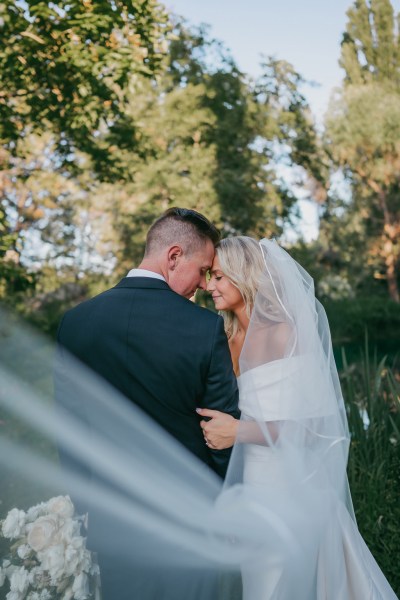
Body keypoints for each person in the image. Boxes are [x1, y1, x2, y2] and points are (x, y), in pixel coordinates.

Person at [197, 236, 398, 600]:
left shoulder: (284, 334)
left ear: (245, 276)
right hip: (248, 490)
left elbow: (315, 428)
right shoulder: (223, 339)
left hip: (291, 487)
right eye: (210, 276)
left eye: (219, 277)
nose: (209, 286)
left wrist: (240, 432)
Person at [55, 207, 240, 600]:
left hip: (113, 523)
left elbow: (69, 430)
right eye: (204, 269)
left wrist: (87, 506)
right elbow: (221, 429)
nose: (205, 284)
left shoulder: (75, 322)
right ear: (174, 257)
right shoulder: (205, 329)